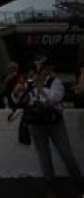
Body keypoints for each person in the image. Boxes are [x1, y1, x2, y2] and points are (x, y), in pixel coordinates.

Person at [13, 56, 83, 198]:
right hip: (36, 122)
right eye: (36, 68)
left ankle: (78, 182)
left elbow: (54, 98)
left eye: (41, 68)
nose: (38, 71)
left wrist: (40, 89)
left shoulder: (55, 82)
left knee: (66, 153)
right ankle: (50, 184)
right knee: (44, 155)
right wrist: (18, 92)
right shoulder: (29, 83)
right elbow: (19, 100)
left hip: (54, 122)